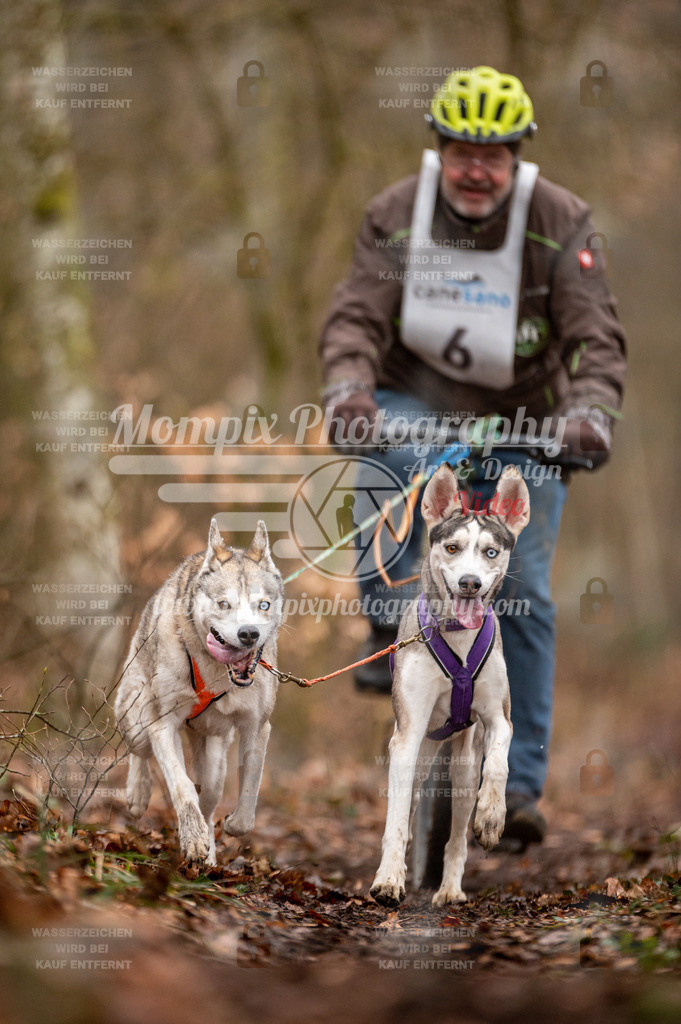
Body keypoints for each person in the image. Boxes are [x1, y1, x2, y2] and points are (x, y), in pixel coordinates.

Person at [319, 66, 626, 846]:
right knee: (386, 455)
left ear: (519, 155)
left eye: (496, 154)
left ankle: (517, 786)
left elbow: (595, 336)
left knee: (519, 589)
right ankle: (389, 622)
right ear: (440, 150)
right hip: (414, 401)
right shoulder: (395, 213)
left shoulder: (559, 219)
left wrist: (589, 416)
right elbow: (355, 316)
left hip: (526, 417)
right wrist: (349, 390)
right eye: (463, 153)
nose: (478, 171)